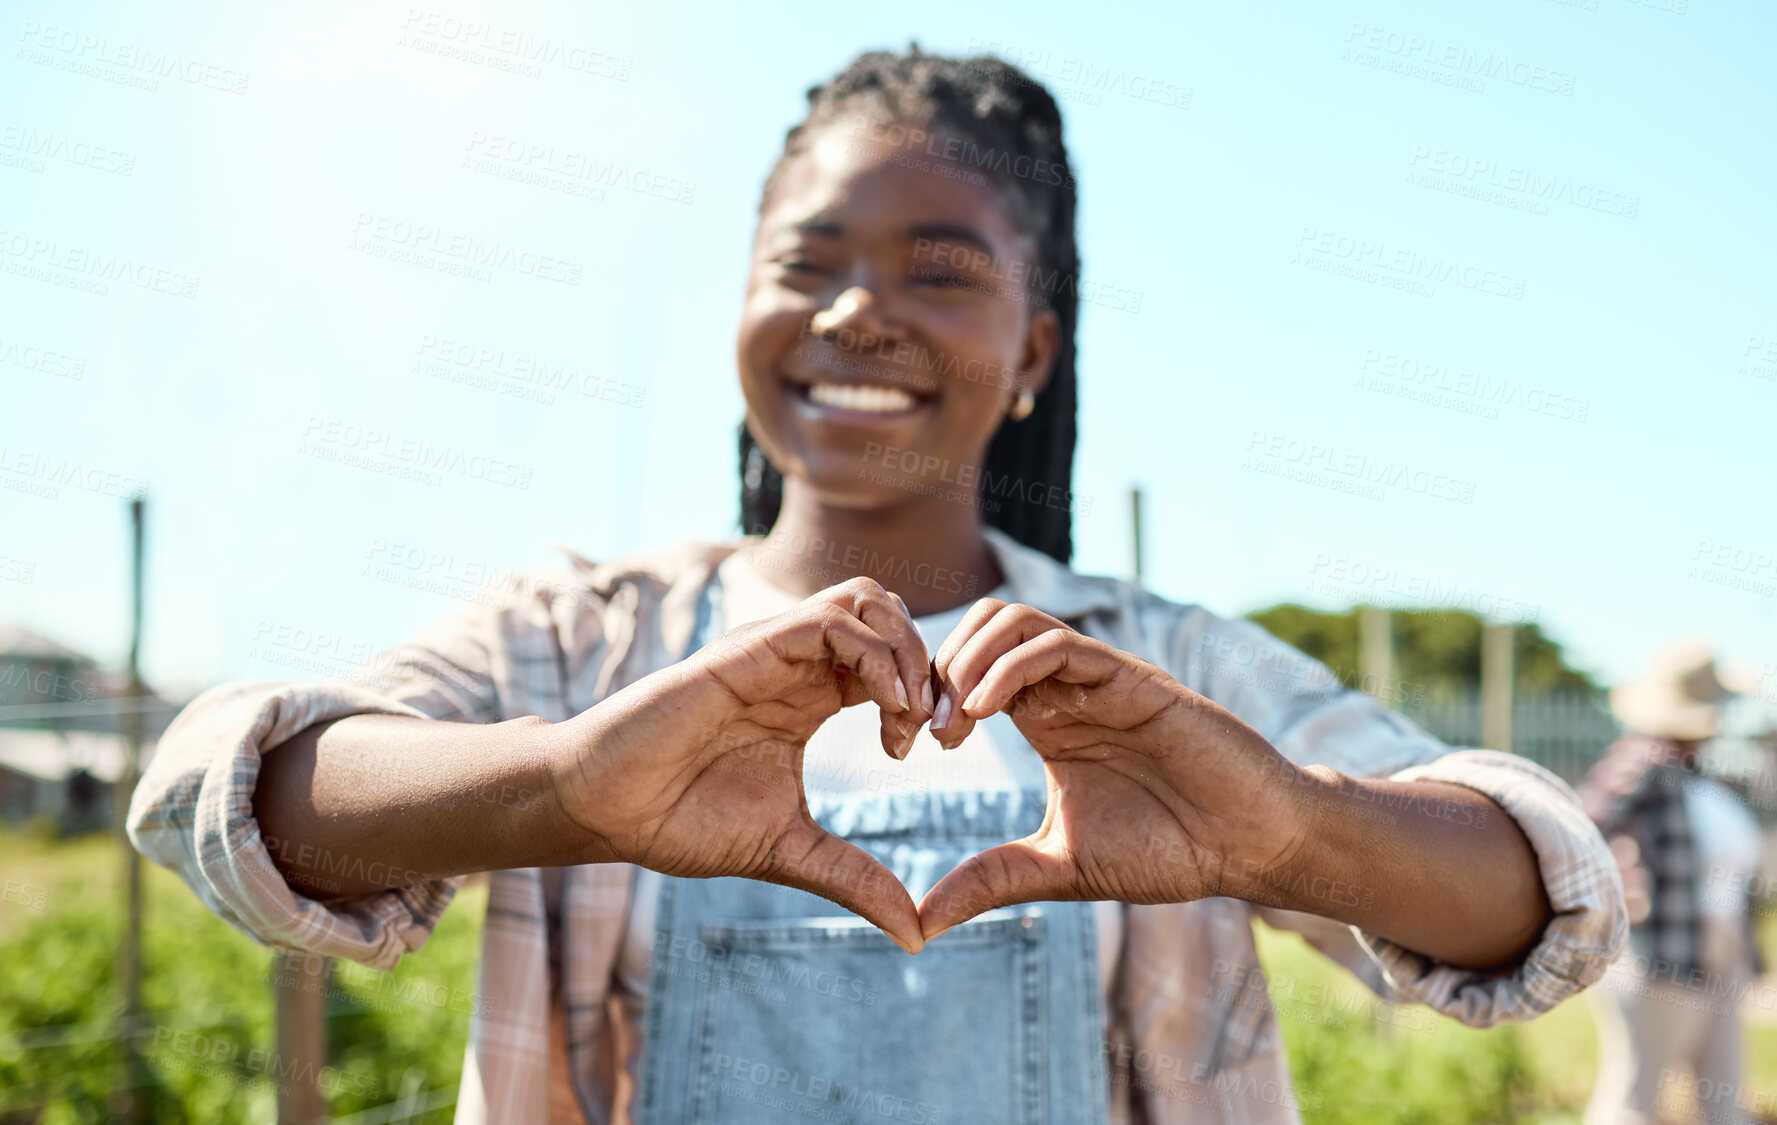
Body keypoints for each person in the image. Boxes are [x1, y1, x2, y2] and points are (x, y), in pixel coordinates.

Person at [129, 49, 1627, 1125]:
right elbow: (224, 789)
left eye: (940, 270)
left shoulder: (1163, 665)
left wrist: (1296, 833)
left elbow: (1535, 898)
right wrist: (568, 784)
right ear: (744, 307)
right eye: (809, 260)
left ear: (1034, 353)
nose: (857, 309)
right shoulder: (576, 641)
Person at [1582, 641, 1766, 1125]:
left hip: (1714, 953)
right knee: (1637, 1096)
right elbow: (1581, 829)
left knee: (1723, 1095)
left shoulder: (1694, 771)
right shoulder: (1642, 762)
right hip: (1660, 956)